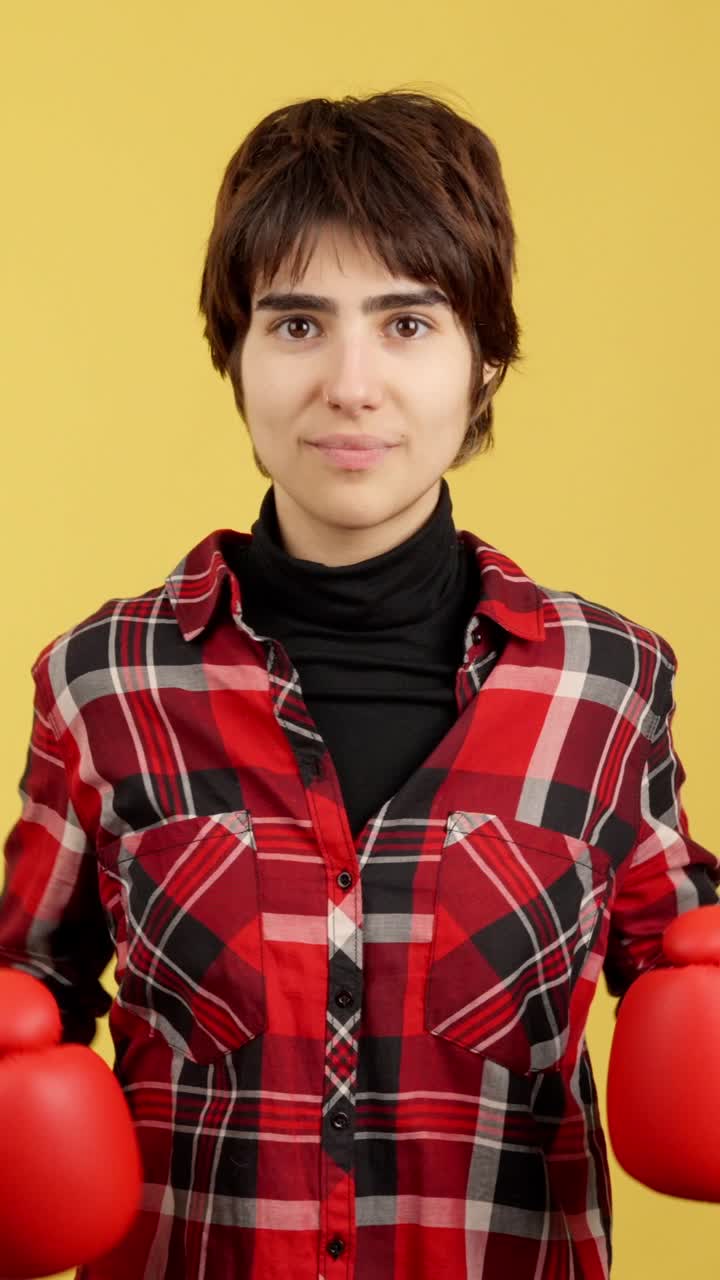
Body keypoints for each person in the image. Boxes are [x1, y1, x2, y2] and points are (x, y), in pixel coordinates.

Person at [1, 88, 718, 1280]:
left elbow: (681, 964)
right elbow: (32, 983)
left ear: (486, 354)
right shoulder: (102, 683)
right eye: (295, 324)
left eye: (407, 322)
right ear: (232, 350)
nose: (350, 383)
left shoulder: (607, 683)